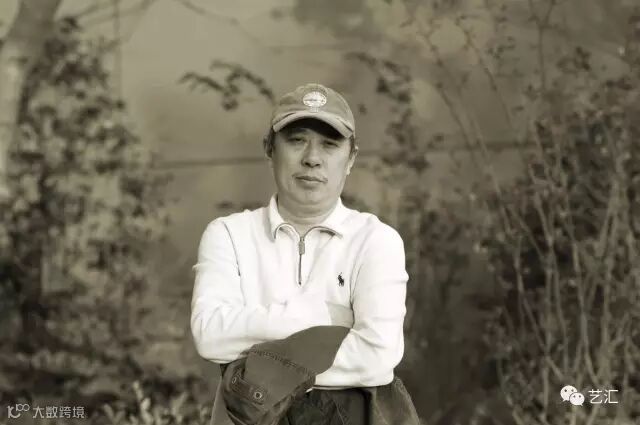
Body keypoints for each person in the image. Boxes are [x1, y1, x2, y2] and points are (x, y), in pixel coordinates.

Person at [191, 83, 414, 424]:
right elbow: (210, 336)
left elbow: (376, 357)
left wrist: (254, 367)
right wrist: (321, 317)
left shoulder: (376, 241)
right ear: (270, 148)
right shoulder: (229, 235)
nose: (312, 158)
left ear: (351, 158)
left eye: (330, 144)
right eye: (297, 140)